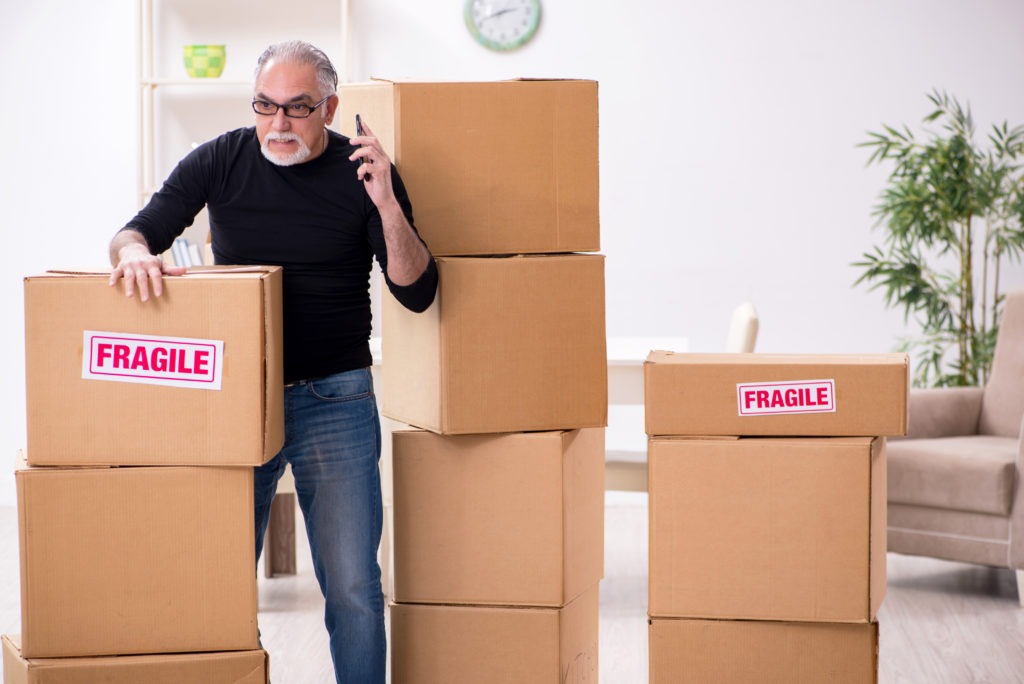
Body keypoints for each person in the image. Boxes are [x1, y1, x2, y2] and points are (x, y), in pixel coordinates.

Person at [107, 40, 437, 683]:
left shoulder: (363, 173)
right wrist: (134, 254)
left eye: (296, 108)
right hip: (237, 397)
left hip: (336, 398)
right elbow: (136, 229)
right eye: (265, 105)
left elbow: (417, 292)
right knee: (222, 584)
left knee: (351, 587)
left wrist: (388, 204)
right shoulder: (221, 159)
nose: (277, 124)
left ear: (331, 108)